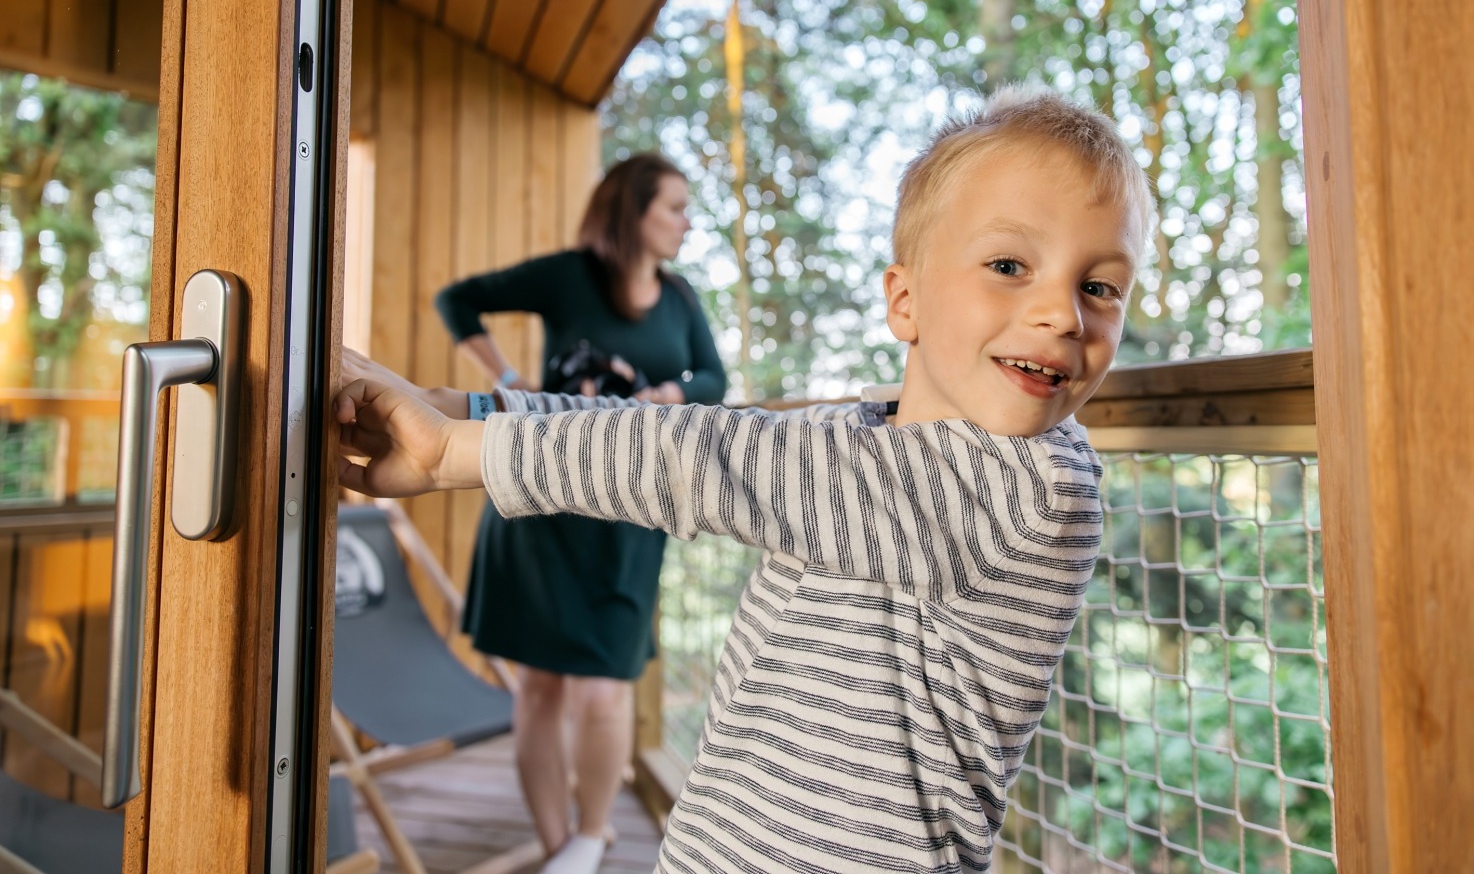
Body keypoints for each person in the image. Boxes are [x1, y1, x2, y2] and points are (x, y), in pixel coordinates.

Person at [335, 86, 1153, 873]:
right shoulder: (855, 437)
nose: (1062, 315)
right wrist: (471, 404)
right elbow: (709, 436)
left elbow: (708, 455)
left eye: (1099, 286)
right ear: (904, 301)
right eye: (1010, 264)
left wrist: (455, 450)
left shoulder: (1034, 490)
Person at [431, 153, 727, 872]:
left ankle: (592, 836)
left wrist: (671, 398)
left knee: (603, 688)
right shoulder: (570, 276)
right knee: (539, 688)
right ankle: (560, 842)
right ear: (634, 213)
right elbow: (457, 300)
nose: (688, 221)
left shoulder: (682, 299)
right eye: (675, 207)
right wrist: (508, 381)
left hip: (628, 516)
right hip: (541, 503)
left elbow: (714, 378)